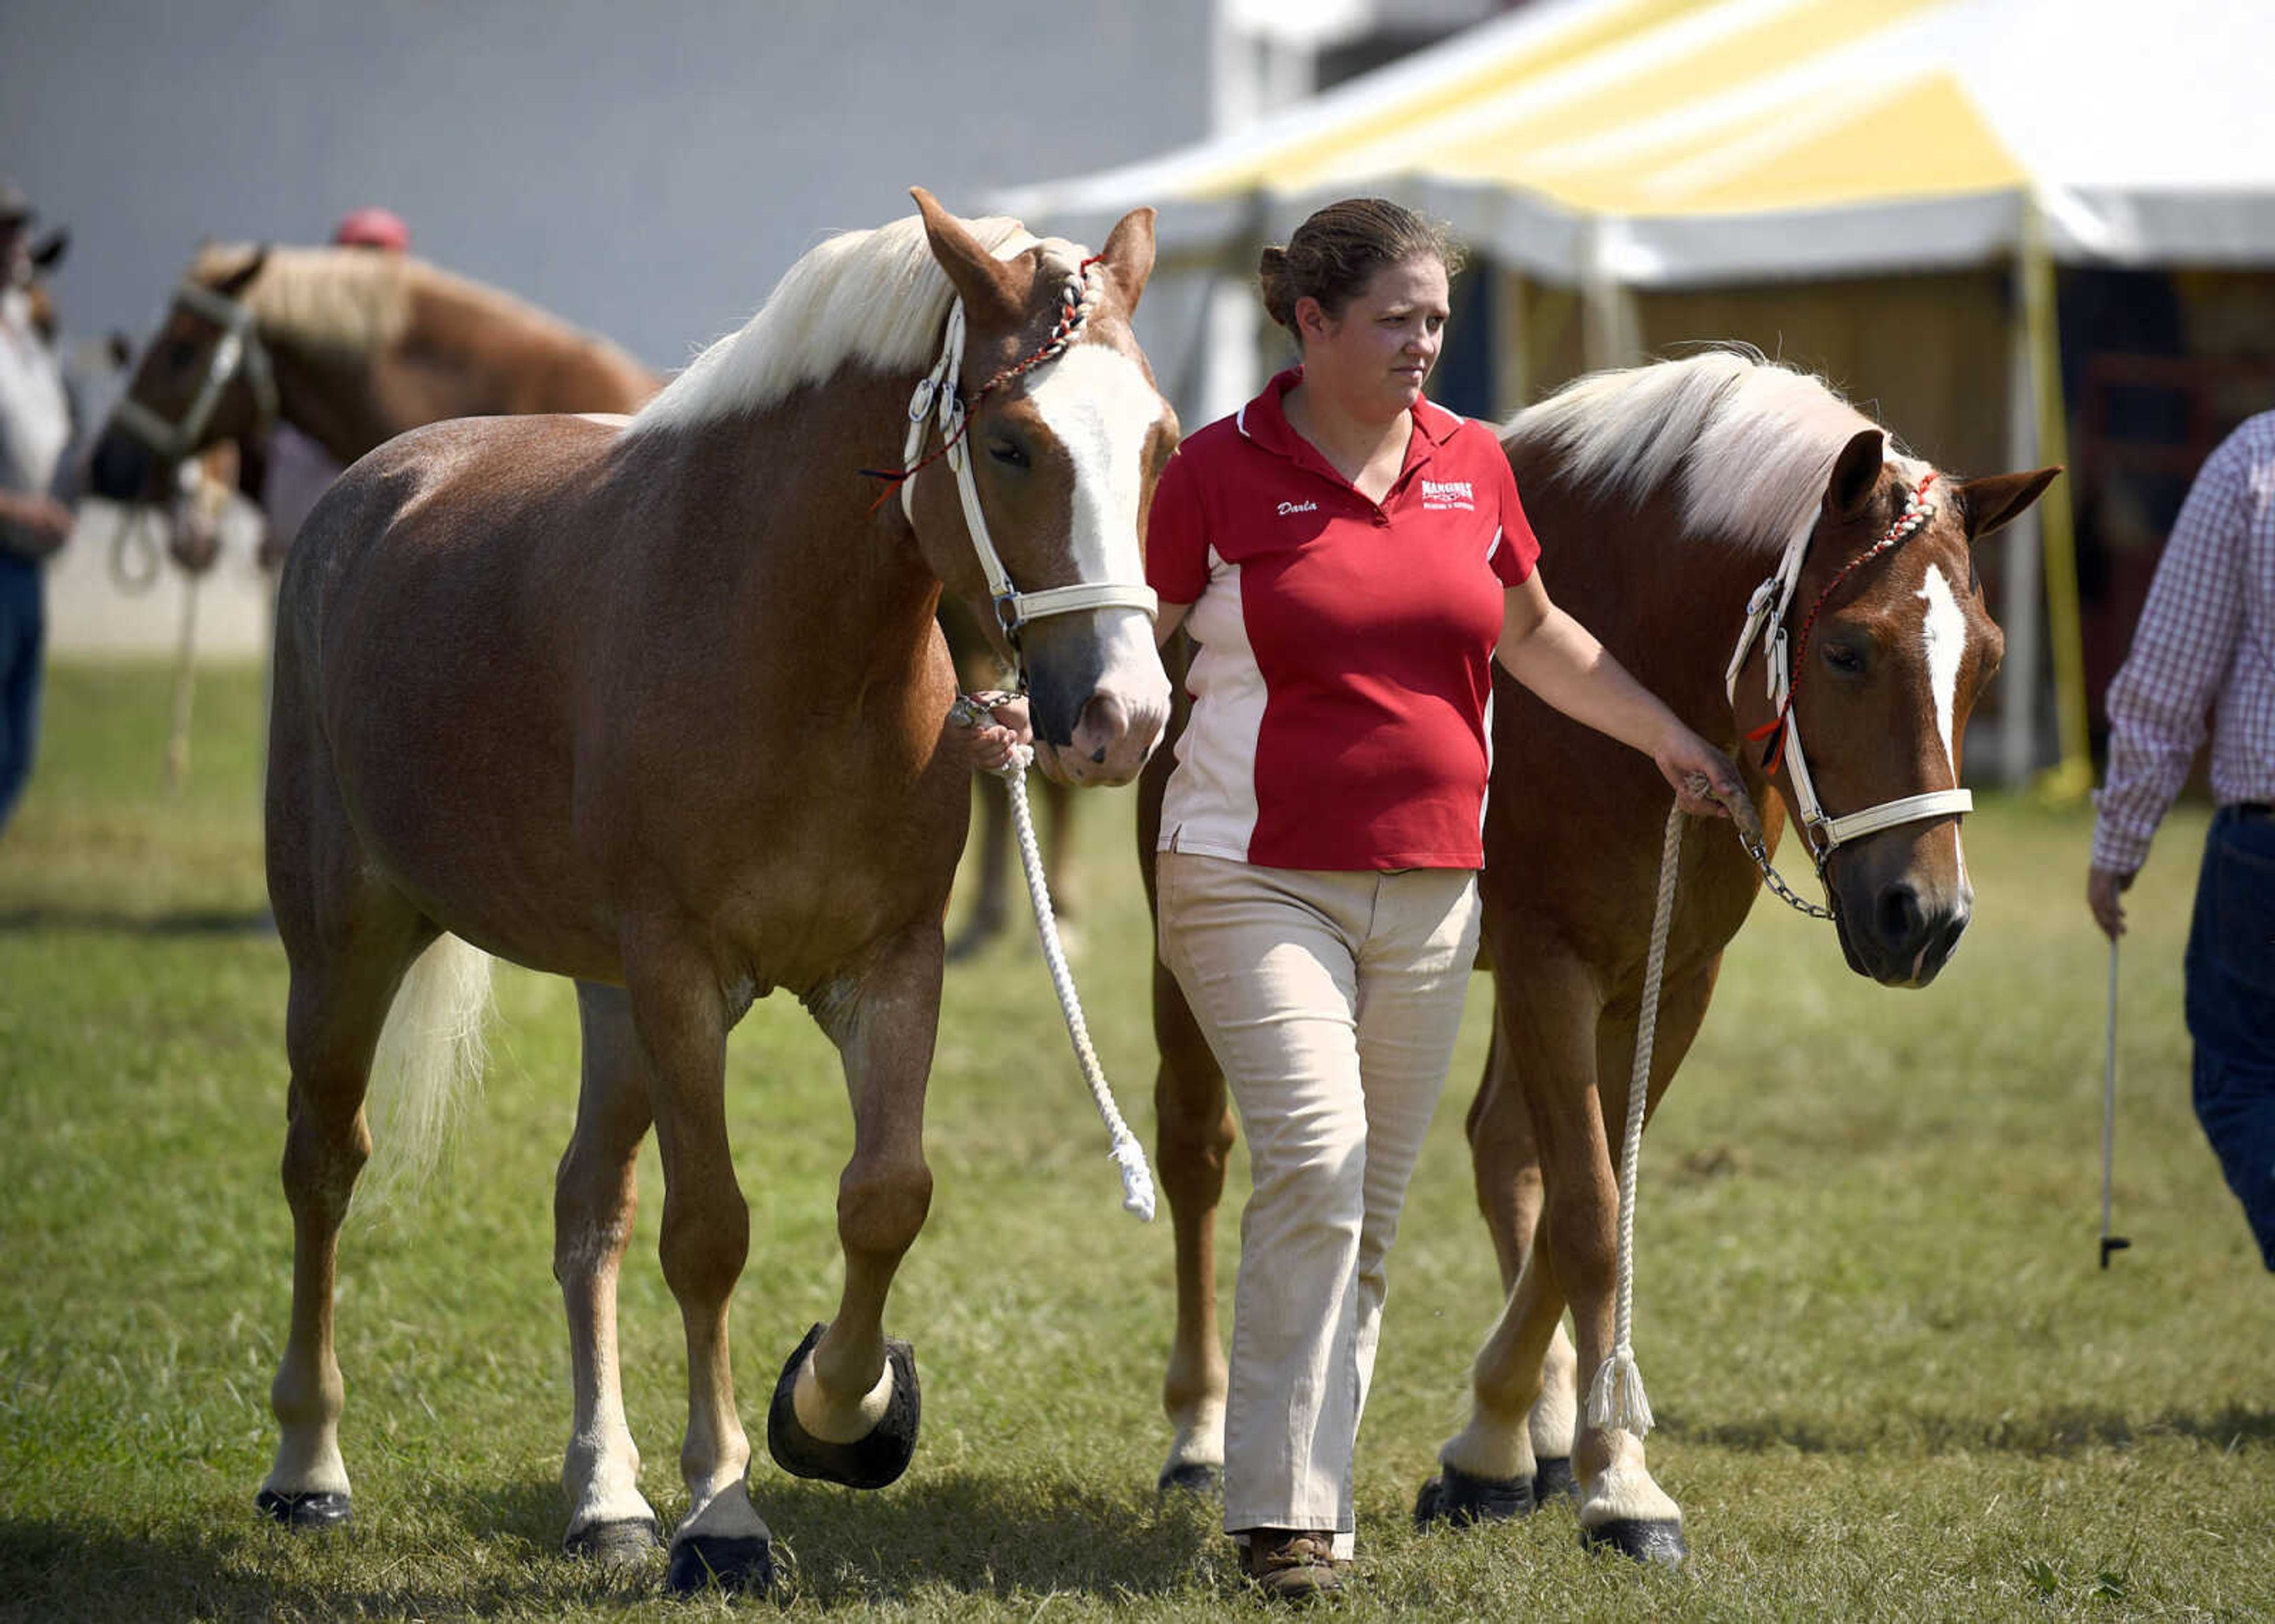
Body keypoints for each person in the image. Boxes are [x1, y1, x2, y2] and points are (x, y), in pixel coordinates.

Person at [1136, 198, 1738, 1600]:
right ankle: (1280, 1513)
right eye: (1396, 320)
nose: (1423, 346)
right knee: (1319, 1157)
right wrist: (1041, 724)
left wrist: (1668, 735)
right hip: (1244, 873)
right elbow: (1128, 647)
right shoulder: (1217, 472)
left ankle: (1310, 1498)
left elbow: (1534, 634)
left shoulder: (1471, 464)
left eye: (1437, 323)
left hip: (1429, 892)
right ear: (1312, 323)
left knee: (1371, 1206)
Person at [2088, 411, 2275, 1271]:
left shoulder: (2254, 461)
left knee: (2245, 1074)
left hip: (2265, 845)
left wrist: (2119, 842)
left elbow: (2167, 678)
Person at [254, 206, 412, 571]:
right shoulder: (302, 349)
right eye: (357, 260)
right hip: (300, 542)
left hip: (383, 552)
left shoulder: (410, 361)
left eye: (378, 262)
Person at [0, 180, 76, 834]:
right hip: (4, 554)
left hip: (24, 570)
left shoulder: (26, 331)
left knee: (15, 752)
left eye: (18, 228)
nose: (19, 242)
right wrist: (18, 511)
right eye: (6, 229)